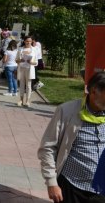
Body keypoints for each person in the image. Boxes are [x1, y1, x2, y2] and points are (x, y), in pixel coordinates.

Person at [38, 71, 105, 203]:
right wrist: (51, 183)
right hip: (72, 186)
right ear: (93, 92)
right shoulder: (67, 111)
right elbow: (48, 148)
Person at [16, 36, 37, 107]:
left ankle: (28, 100)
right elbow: (16, 60)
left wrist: (31, 62)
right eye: (27, 41)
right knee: (21, 84)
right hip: (22, 68)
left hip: (29, 69)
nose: (28, 42)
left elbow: (36, 62)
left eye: (30, 41)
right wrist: (20, 60)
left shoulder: (34, 49)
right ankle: (21, 100)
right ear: (24, 41)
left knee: (28, 85)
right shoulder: (20, 49)